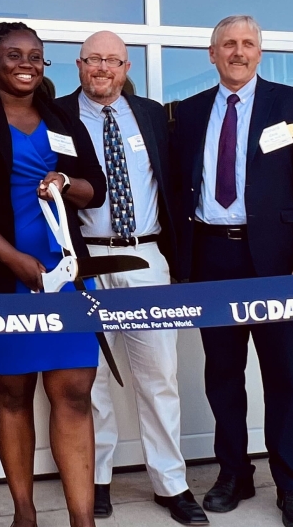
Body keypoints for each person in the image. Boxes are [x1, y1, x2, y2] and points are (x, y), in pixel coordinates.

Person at [0, 22, 107, 527]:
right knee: (12, 392)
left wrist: (66, 181)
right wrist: (13, 260)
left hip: (68, 279)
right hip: (3, 277)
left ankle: (82, 519)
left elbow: (93, 188)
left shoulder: (64, 120)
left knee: (74, 391)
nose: (27, 64)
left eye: (36, 56)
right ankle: (24, 513)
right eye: (14, 55)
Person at [171, 15, 293, 527]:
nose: (238, 52)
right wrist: (181, 262)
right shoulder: (189, 113)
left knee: (282, 374)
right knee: (222, 374)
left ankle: (291, 485)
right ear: (212, 53)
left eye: (248, 44)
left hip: (278, 263)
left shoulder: (292, 104)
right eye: (228, 45)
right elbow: (178, 191)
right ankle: (233, 474)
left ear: (259, 52)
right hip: (212, 258)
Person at [54, 31, 206, 525]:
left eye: (113, 60)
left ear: (126, 66)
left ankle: (171, 482)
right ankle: (94, 479)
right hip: (83, 264)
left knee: (159, 375)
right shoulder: (56, 115)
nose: (103, 68)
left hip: (145, 259)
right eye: (93, 59)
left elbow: (176, 185)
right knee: (88, 381)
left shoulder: (152, 115)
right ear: (78, 65)